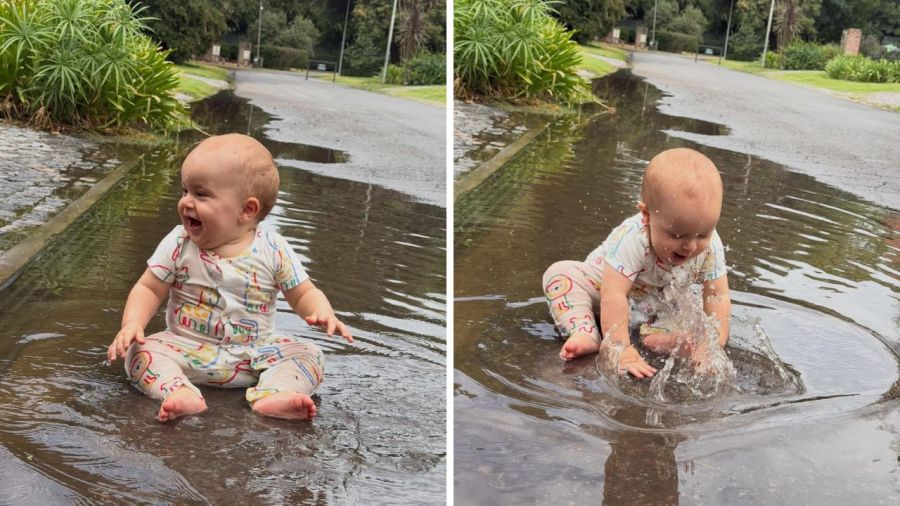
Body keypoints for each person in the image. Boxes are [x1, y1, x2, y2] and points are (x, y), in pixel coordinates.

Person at [107, 134, 353, 421]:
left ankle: (276, 392)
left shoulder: (273, 249)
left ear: (247, 210)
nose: (186, 202)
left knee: (310, 354)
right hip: (187, 348)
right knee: (140, 352)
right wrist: (132, 324)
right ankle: (178, 391)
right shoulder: (179, 242)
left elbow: (303, 292)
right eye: (185, 190)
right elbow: (149, 287)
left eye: (200, 194)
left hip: (256, 354)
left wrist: (321, 311)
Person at [542, 148, 731, 378]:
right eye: (677, 235)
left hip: (655, 306)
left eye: (702, 235)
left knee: (690, 316)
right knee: (560, 275)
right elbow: (613, 294)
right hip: (603, 291)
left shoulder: (711, 244)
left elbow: (717, 296)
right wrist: (621, 349)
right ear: (647, 216)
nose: (690, 246)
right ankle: (585, 330)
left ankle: (663, 339)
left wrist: (713, 343)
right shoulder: (633, 238)